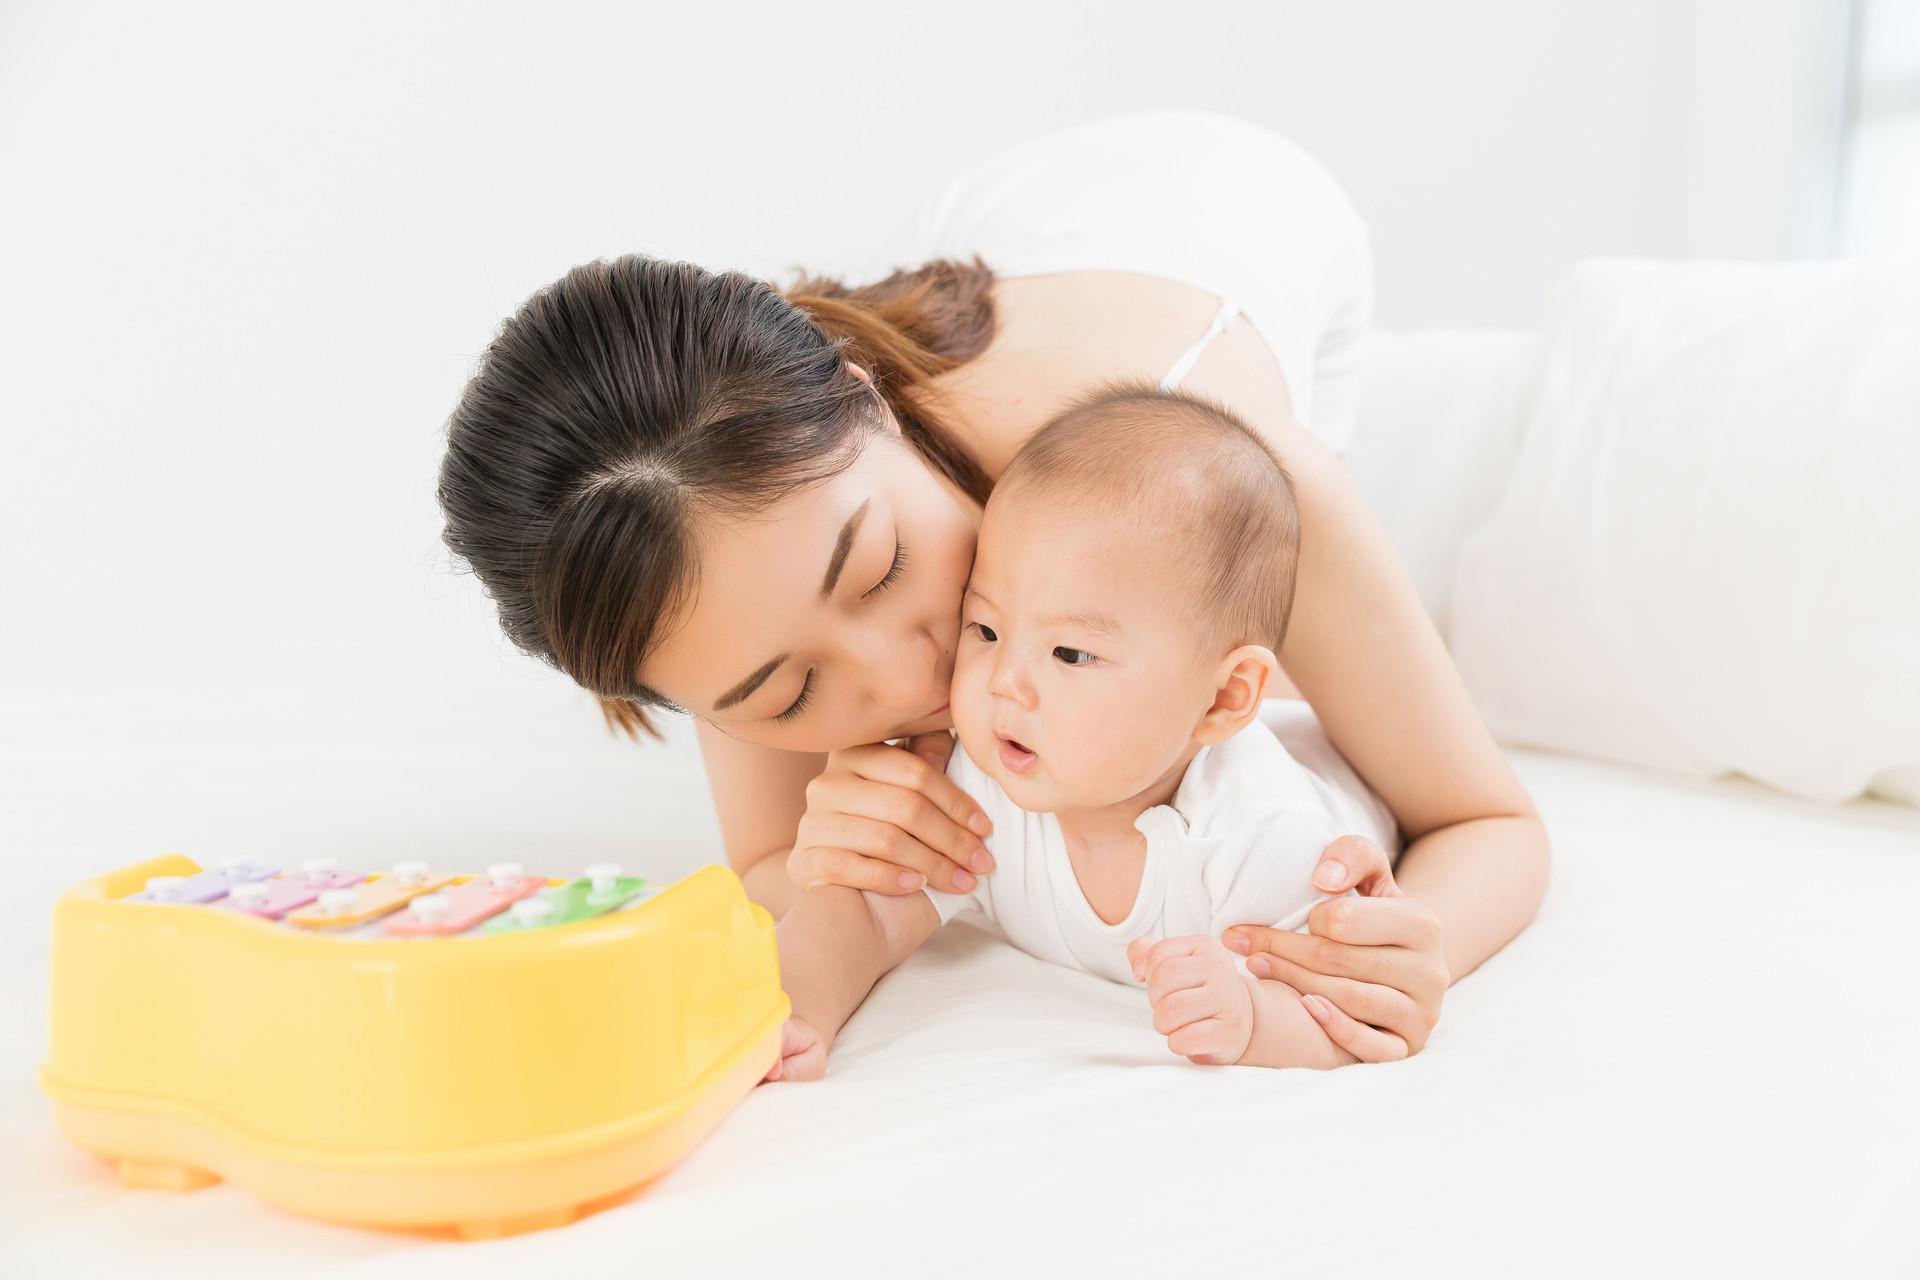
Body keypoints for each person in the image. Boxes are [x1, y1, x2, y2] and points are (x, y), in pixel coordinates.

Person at [435, 110, 1550, 1064]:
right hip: (989, 248)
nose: (913, 672)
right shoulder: (719, 557)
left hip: (1229, 201)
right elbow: (781, 875)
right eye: (787, 697)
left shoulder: (1212, 462)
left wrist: (1413, 944)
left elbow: (1486, 818)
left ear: (865, 396)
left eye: (880, 569)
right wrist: (827, 853)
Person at [762, 380, 1402, 1079]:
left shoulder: (1268, 838)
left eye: (1070, 653)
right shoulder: (976, 784)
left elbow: (1349, 1012)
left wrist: (1255, 1019)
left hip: (1327, 767)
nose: (1004, 680)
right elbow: (862, 915)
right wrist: (795, 1010)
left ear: (1221, 699)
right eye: (985, 628)